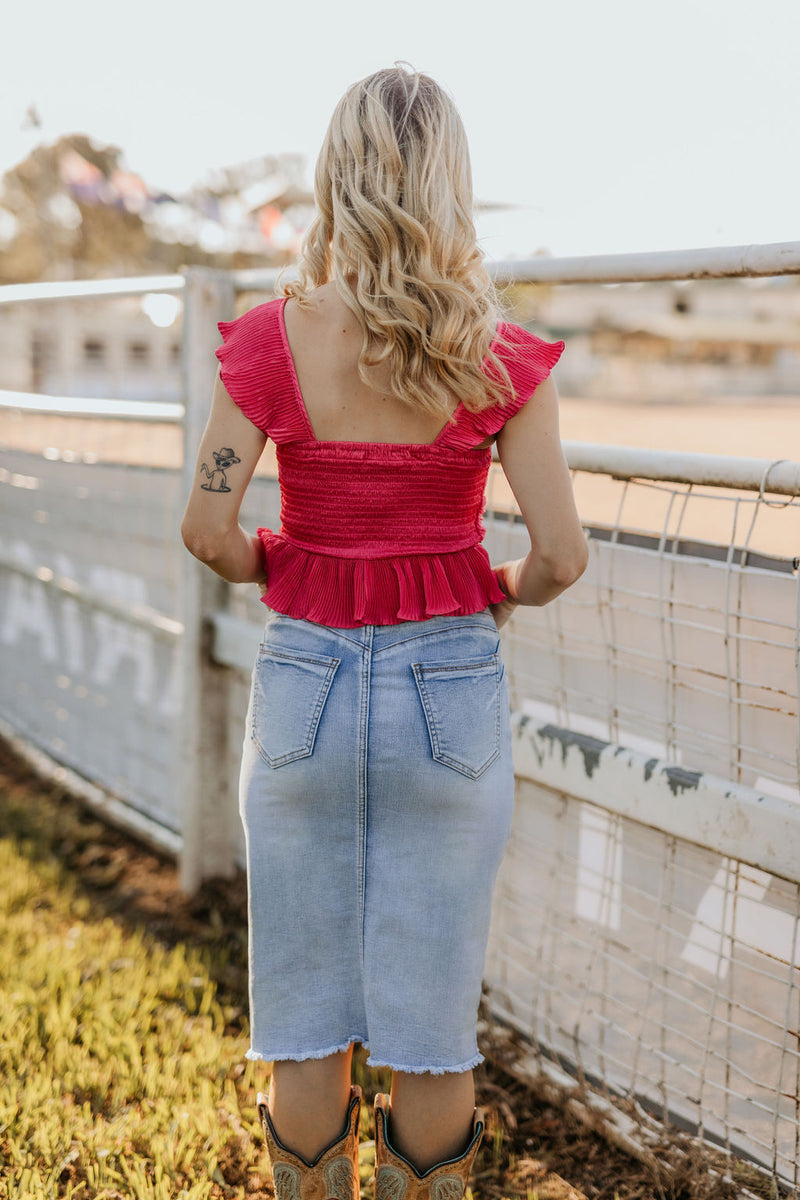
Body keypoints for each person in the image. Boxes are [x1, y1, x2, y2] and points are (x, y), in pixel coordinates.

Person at [181, 64, 588, 1200]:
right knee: (430, 1016)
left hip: (306, 677)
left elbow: (207, 531)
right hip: (448, 682)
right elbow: (559, 557)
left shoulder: (271, 340)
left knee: (304, 1006)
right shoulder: (503, 359)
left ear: (334, 177)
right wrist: (487, 592)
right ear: (452, 184)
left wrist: (285, 562)